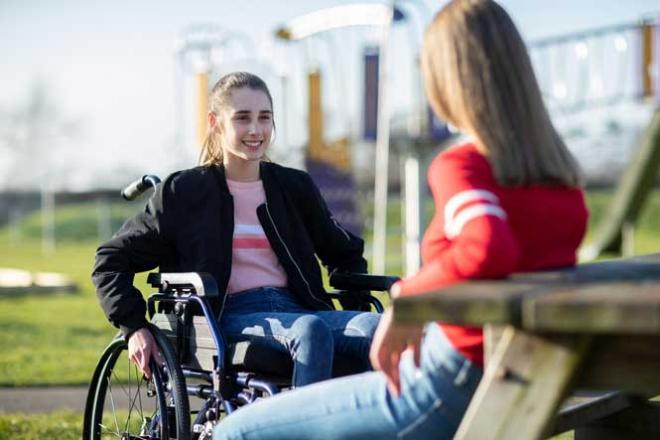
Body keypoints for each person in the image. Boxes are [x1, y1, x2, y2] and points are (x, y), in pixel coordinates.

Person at [212, 0, 589, 438]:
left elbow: (488, 244)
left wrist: (410, 299)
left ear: (450, 80)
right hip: (526, 376)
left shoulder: (463, 166)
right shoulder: (561, 176)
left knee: (234, 432)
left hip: (449, 381)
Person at [92, 71, 381, 388]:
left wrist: (355, 308)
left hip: (300, 308)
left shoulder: (294, 186)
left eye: (264, 117)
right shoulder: (184, 191)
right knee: (310, 330)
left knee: (375, 326)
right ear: (216, 123)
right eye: (243, 118)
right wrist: (134, 326)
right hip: (225, 317)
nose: (256, 129)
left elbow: (345, 252)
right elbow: (111, 258)